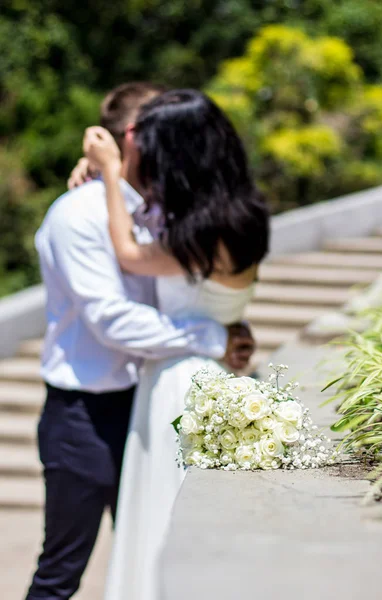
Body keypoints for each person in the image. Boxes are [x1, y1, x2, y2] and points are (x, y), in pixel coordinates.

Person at [25, 83, 254, 600]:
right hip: (84, 417)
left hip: (150, 400)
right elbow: (114, 321)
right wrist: (214, 335)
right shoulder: (78, 215)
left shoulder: (167, 211)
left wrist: (226, 317)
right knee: (62, 572)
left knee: (155, 552)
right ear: (134, 139)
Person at [82, 89, 270, 600]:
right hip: (216, 372)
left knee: (166, 519)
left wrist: (111, 175)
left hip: (184, 386)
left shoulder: (211, 232)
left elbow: (128, 254)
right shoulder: (240, 214)